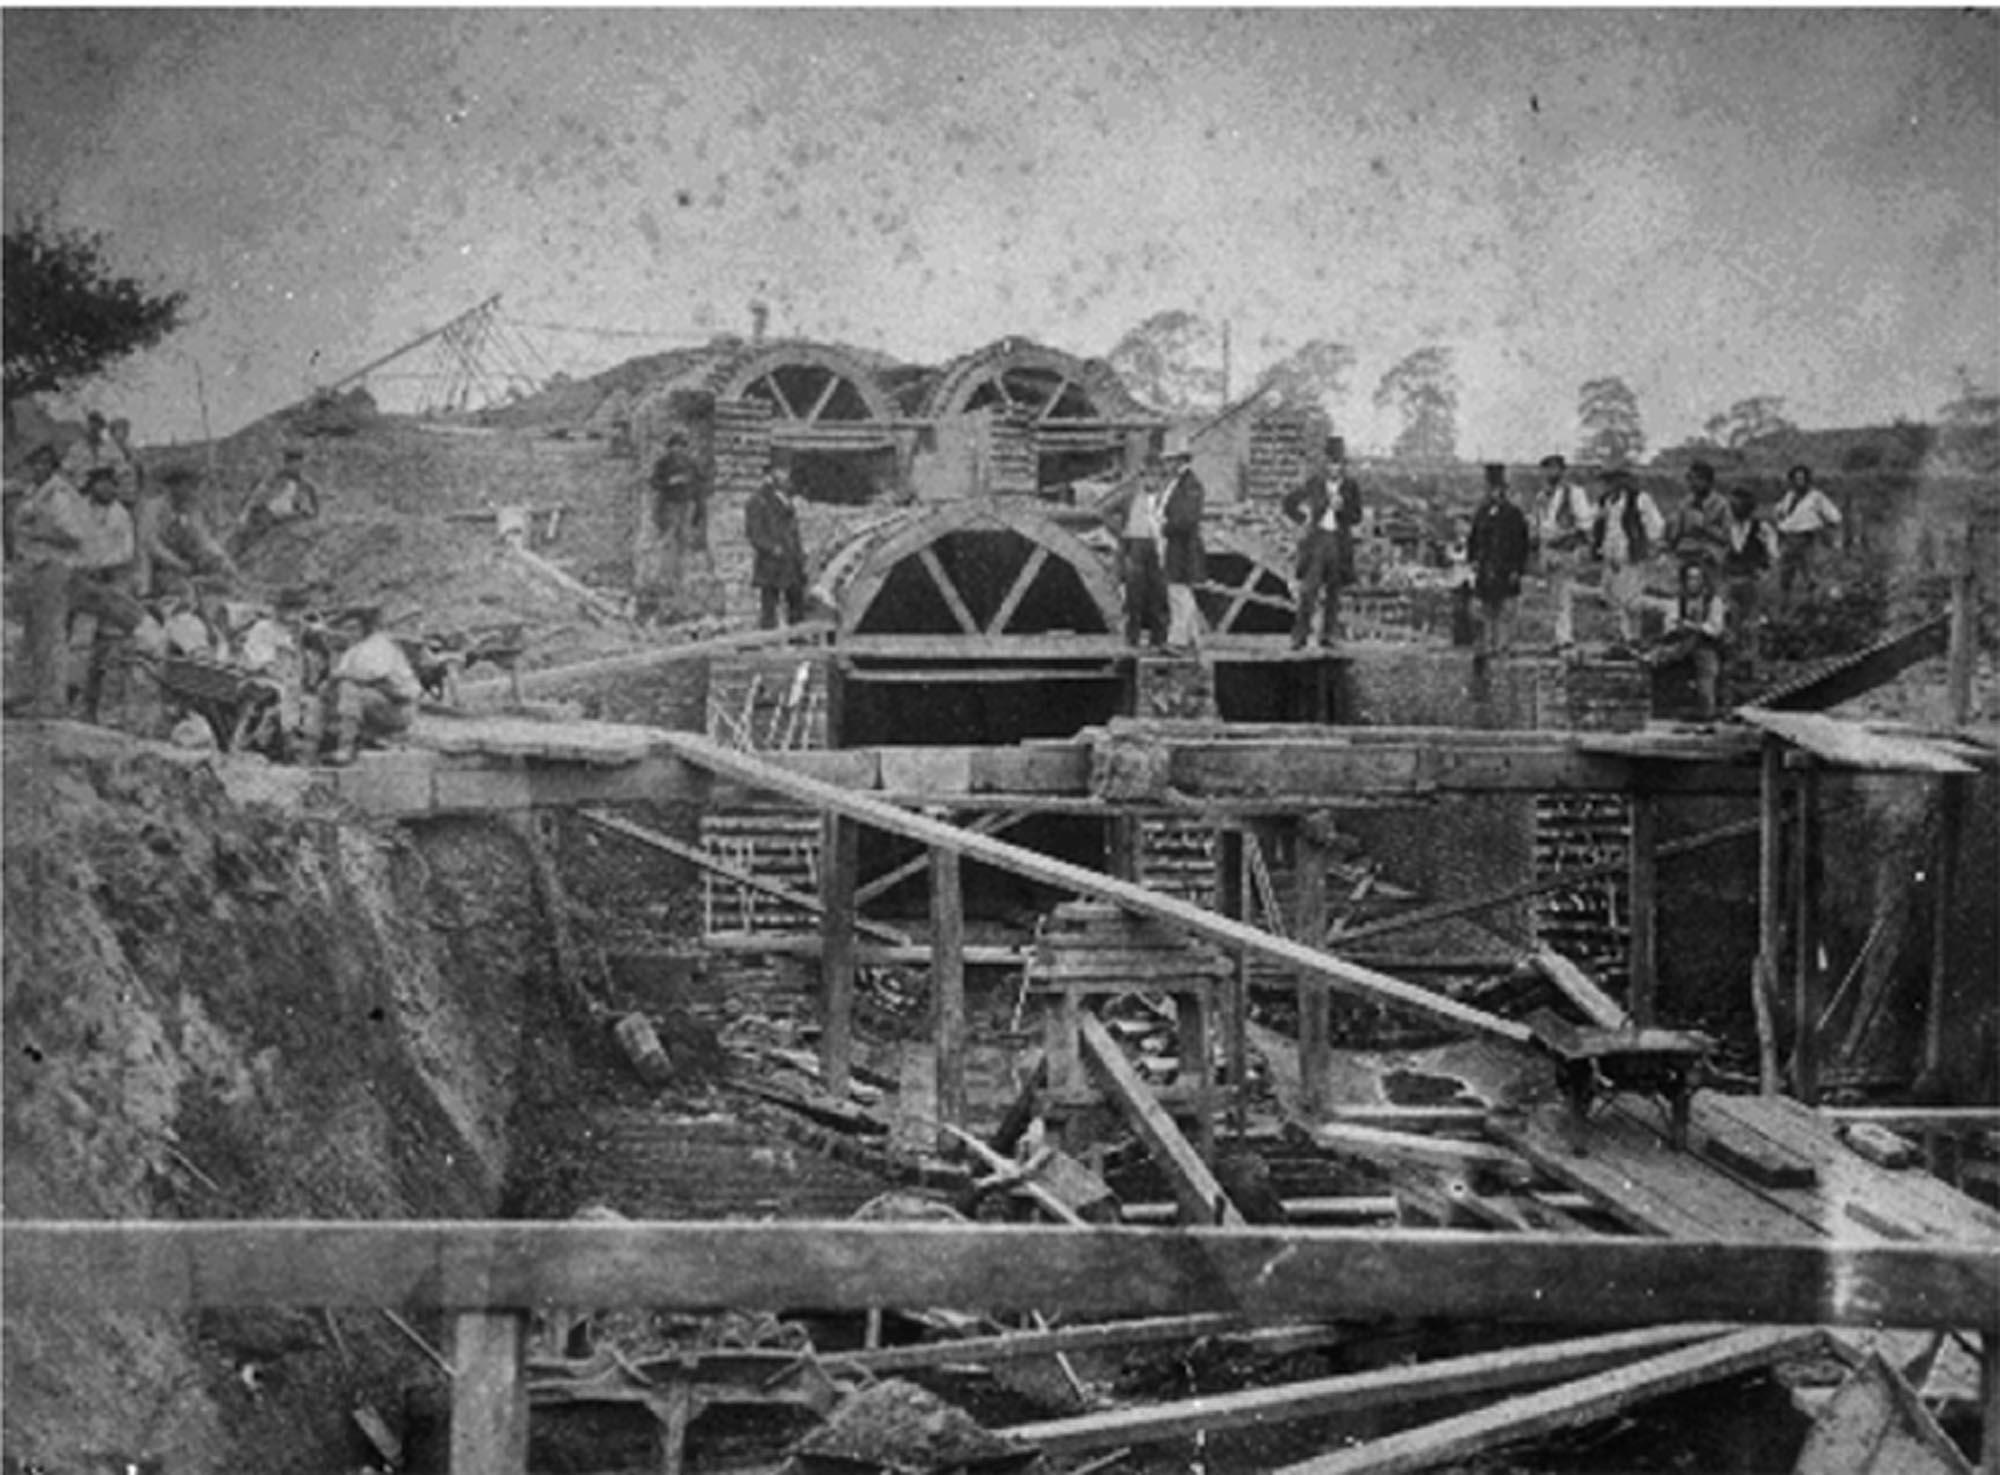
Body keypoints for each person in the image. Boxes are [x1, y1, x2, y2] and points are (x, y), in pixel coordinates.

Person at [6, 445, 91, 716]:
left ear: (51, 466)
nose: (38, 468)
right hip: (33, 568)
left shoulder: (58, 494)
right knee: (33, 632)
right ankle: (30, 694)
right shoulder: (35, 491)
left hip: (53, 567)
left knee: (51, 634)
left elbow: (74, 534)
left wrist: (40, 531)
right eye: (34, 464)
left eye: (44, 463)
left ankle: (52, 701)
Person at [301, 604, 421, 765]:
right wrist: (327, 687)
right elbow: (338, 675)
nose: (350, 633)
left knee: (349, 689)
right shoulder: (352, 650)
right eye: (347, 629)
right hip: (370, 703)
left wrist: (340, 677)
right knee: (322, 697)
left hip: (397, 707)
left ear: (365, 627)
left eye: (354, 628)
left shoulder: (380, 644)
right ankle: (308, 751)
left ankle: (346, 747)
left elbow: (372, 676)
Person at [1280, 434, 1365, 648]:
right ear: (1325, 463)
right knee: (1309, 590)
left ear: (1343, 465)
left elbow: (1357, 516)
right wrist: (1303, 518)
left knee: (1334, 591)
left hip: (1339, 541)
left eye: (1338, 463)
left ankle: (1328, 635)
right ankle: (1299, 636)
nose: (1334, 468)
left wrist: (1342, 508)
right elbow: (1289, 502)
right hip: (1317, 541)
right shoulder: (1315, 483)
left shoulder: (1351, 486)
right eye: (1330, 463)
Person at [1591, 468, 1665, 649]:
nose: (1610, 485)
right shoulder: (1605, 501)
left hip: (1631, 555)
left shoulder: (1639, 499)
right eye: (1607, 481)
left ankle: (1635, 636)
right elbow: (1600, 527)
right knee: (1615, 599)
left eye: (1614, 480)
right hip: (1610, 555)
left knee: (1631, 600)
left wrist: (1652, 546)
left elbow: (1655, 524)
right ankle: (1625, 638)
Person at [1465, 462, 1532, 658]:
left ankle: (1502, 645)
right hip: (1486, 566)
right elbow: (1474, 538)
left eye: (1497, 490)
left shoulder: (1514, 514)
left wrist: (1517, 569)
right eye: (1490, 489)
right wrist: (1474, 560)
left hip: (1506, 566)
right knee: (1484, 608)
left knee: (1505, 608)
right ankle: (1485, 645)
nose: (1493, 493)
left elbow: (1522, 544)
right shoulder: (1482, 512)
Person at [1102, 462, 1168, 649]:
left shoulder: (1165, 498)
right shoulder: (1130, 496)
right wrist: (1120, 531)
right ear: (1141, 478)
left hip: (1158, 546)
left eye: (1156, 477)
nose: (1152, 481)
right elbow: (1104, 511)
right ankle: (1133, 638)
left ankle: (1159, 639)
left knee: (1159, 593)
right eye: (1148, 476)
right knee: (1134, 594)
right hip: (1135, 546)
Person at [1534, 454, 1594, 655]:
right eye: (1546, 469)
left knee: (1564, 594)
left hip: (1565, 549)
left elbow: (1584, 524)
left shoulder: (1574, 493)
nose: (1550, 473)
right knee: (1553, 596)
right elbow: (1540, 524)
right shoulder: (1542, 496)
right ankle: (1558, 637)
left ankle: (1565, 639)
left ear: (1562, 471)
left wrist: (1566, 537)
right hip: (1548, 548)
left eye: (1554, 468)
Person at [1655, 559, 1729, 719]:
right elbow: (1669, 625)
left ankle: (1707, 712)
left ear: (1703, 581)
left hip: (1706, 645)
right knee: (1661, 659)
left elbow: (1715, 629)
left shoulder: (1713, 602)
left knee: (1706, 666)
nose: (1693, 583)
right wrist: (1680, 628)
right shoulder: (1677, 601)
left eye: (1696, 578)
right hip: (1681, 644)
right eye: (1689, 578)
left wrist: (1694, 626)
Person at [1719, 486, 1778, 670]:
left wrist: (1764, 573)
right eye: (1732, 505)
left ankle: (1753, 662)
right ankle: (1732, 661)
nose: (1734, 509)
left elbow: (1773, 554)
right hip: (1730, 580)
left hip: (1751, 581)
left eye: (1738, 505)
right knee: (1729, 621)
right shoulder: (1726, 529)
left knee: (1751, 624)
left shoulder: (1761, 528)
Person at [1158, 431, 1207, 652]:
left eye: (1169, 460)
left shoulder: (1191, 485)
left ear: (1180, 460)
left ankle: (1177, 641)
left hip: (1183, 545)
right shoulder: (1177, 483)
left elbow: (1187, 519)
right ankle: (1193, 638)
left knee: (1178, 591)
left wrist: (1164, 526)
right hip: (1175, 544)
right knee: (1178, 591)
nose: (1166, 464)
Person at [744, 462, 807, 629]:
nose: (785, 476)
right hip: (771, 562)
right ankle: (769, 636)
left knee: (796, 600)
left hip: (791, 559)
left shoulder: (787, 499)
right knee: (770, 603)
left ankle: (797, 636)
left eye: (786, 471)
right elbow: (754, 533)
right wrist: (772, 548)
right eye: (781, 471)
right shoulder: (758, 501)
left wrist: (799, 553)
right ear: (771, 475)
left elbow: (794, 530)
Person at [1772, 463, 1843, 604]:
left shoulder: (1816, 497)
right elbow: (1778, 513)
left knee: (1811, 577)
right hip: (1789, 540)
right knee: (1785, 577)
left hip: (1806, 540)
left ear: (1807, 479)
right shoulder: (1789, 496)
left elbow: (1835, 516)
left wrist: (1829, 533)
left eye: (1802, 478)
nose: (1799, 482)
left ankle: (1814, 606)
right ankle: (1784, 607)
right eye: (1796, 478)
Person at [233, 446, 322, 557]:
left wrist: (312, 512)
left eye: (298, 463)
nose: (296, 467)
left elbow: (313, 499)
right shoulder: (274, 478)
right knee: (249, 536)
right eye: (291, 463)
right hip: (266, 514)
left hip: (286, 517)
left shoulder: (303, 483)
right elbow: (257, 495)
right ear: (287, 463)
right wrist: (244, 514)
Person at [1665, 460, 1731, 573]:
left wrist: (1705, 526)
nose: (1693, 483)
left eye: (1698, 479)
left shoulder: (1722, 505)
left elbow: (1727, 538)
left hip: (1710, 553)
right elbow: (1673, 535)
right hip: (1685, 552)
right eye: (1690, 479)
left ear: (1709, 482)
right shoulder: (1685, 503)